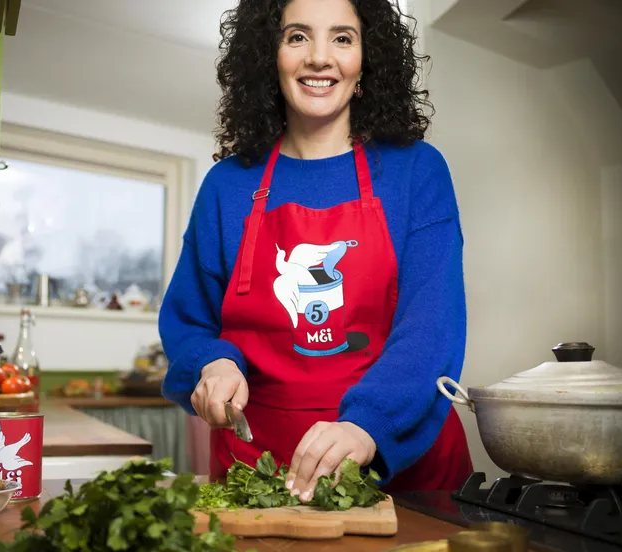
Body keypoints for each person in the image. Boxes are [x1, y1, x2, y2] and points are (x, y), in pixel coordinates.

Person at [159, 0, 474, 500]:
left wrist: (367, 426)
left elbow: (431, 327)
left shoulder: (417, 171)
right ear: (270, 54)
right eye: (298, 37)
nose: (320, 58)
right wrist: (212, 363)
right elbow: (191, 321)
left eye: (343, 38)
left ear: (367, 58)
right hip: (259, 466)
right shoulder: (227, 186)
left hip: (397, 460)